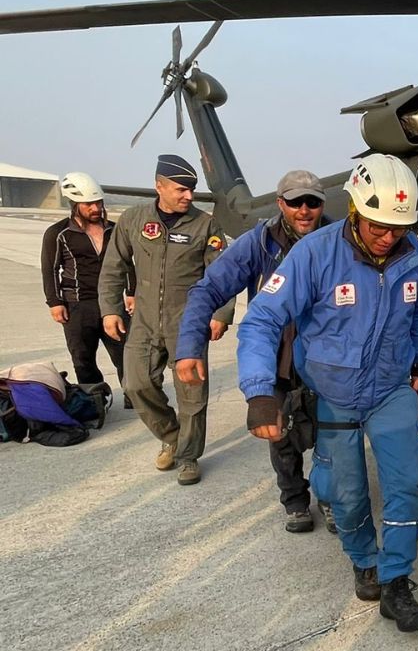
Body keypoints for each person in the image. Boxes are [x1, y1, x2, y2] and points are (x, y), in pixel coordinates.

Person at [237, 154, 418, 633]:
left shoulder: (415, 256)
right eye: (378, 226)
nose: (389, 238)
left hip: (391, 389)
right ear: (353, 210)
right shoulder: (315, 254)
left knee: (406, 483)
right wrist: (261, 391)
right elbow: (262, 319)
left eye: (399, 229)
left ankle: (396, 582)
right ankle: (363, 560)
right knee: (344, 494)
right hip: (335, 394)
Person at [176, 170, 335, 533]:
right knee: (279, 434)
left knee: (333, 435)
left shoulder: (338, 241)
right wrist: (189, 347)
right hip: (275, 357)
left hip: (326, 360)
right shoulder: (258, 244)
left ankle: (330, 498)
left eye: (313, 202)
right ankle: (295, 500)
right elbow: (207, 291)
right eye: (296, 202)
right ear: (281, 204)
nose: (305, 210)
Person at [98, 154, 232, 486]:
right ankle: (171, 435)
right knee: (135, 384)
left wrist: (221, 314)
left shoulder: (205, 224)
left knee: (192, 393)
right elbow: (114, 267)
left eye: (191, 189)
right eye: (181, 189)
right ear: (159, 186)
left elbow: (223, 274)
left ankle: (188, 456)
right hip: (142, 320)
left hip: (188, 321)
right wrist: (110, 309)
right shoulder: (133, 220)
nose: (188, 196)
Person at [41, 172, 133, 409]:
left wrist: (132, 293)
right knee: (83, 359)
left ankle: (134, 396)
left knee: (126, 354)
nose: (95, 208)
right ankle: (95, 400)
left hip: (112, 303)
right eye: (88, 204)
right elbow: (50, 270)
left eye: (98, 203)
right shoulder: (58, 233)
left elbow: (129, 262)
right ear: (74, 205)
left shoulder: (114, 230)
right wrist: (55, 302)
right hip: (77, 305)